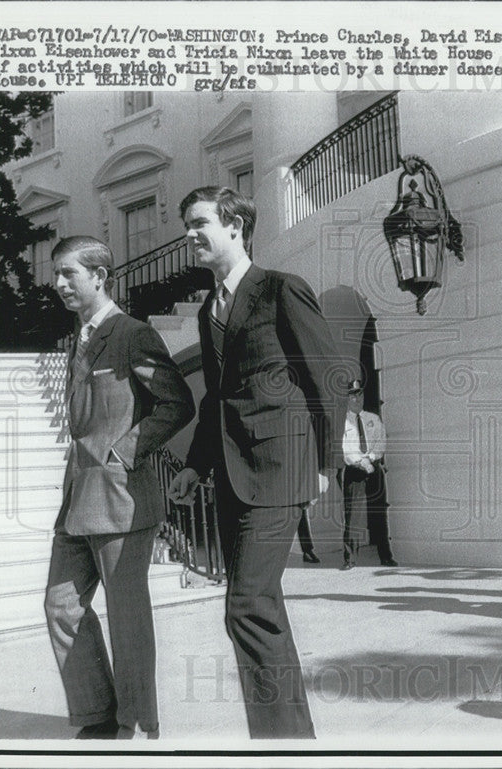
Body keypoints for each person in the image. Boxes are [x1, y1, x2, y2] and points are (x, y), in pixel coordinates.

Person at [167, 186, 340, 739]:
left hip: (282, 465)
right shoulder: (207, 310)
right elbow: (216, 396)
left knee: (245, 604)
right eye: (186, 226)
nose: (189, 235)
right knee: (259, 607)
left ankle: (281, 745)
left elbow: (327, 378)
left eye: (199, 224)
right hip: (232, 477)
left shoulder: (280, 290)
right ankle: (291, 739)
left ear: (236, 225)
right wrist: (194, 466)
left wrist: (326, 461)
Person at [44, 236, 195, 740]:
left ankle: (132, 722)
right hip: (76, 498)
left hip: (120, 498)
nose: (59, 283)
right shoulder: (79, 340)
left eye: (69, 274)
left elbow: (175, 404)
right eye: (57, 274)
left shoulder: (133, 334)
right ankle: (97, 713)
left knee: (127, 617)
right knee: (61, 606)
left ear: (100, 276)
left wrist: (123, 452)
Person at [339, 379, 397, 569]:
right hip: (355, 470)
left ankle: (386, 556)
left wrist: (371, 457)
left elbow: (381, 443)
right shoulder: (342, 423)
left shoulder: (373, 419)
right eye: (352, 395)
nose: (357, 399)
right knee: (353, 515)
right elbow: (345, 450)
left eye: (360, 394)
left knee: (379, 513)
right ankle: (350, 559)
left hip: (373, 468)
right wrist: (360, 461)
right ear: (346, 399)